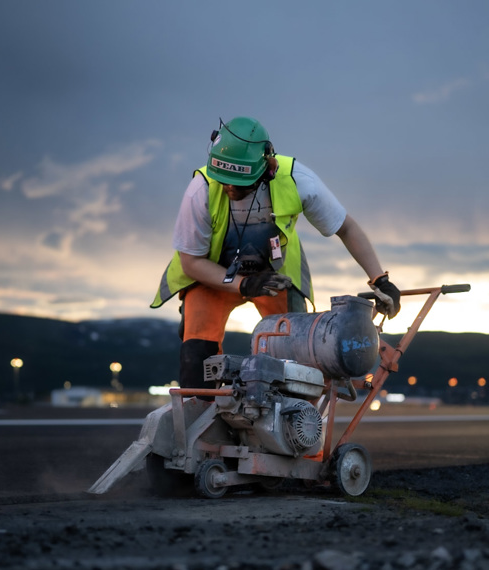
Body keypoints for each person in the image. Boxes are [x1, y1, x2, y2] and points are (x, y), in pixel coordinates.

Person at [151, 117, 400, 389]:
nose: (230, 188)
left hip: (274, 277)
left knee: (298, 357)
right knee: (198, 357)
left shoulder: (299, 181)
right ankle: (201, 419)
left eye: (240, 183)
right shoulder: (199, 190)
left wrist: (379, 279)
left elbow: (346, 228)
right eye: (225, 181)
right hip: (209, 275)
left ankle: (287, 423)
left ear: (267, 169)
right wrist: (244, 284)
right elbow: (190, 261)